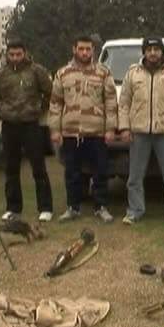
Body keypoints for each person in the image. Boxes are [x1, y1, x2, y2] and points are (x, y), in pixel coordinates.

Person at [118, 37, 164, 227]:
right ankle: (134, 211)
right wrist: (124, 127)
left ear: (162, 52)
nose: (152, 53)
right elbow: (124, 103)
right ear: (143, 52)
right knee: (134, 176)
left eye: (156, 49)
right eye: (149, 49)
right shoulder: (133, 73)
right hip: (139, 133)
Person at [49, 35, 118, 223]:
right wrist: (55, 130)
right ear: (74, 49)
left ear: (93, 51)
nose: (85, 52)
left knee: (100, 172)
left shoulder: (103, 73)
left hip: (97, 132)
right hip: (71, 132)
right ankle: (73, 207)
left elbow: (111, 102)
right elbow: (55, 103)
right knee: (72, 173)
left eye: (88, 49)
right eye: (81, 49)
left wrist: (111, 129)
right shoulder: (63, 73)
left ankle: (101, 207)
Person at [0, 39, 54, 222]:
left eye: (19, 54)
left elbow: (50, 92)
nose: (15, 58)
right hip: (9, 126)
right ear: (7, 55)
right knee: (10, 168)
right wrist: (4, 110)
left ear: (25, 53)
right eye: (12, 54)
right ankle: (13, 208)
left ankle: (46, 208)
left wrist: (39, 108)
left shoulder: (36, 71)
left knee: (38, 168)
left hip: (31, 124)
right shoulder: (0, 75)